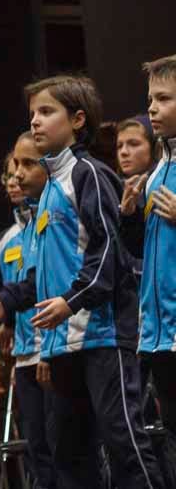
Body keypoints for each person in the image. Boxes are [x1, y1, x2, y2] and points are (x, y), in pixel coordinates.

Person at [0, 74, 163, 489]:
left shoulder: (88, 174)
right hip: (62, 343)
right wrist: (5, 302)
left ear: (77, 120)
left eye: (46, 112)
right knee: (68, 454)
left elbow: (109, 253)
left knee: (123, 442)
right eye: (32, 114)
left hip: (103, 335)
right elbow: (44, 272)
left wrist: (71, 301)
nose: (35, 122)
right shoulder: (48, 192)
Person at [124, 56, 176, 486]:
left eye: (163, 99)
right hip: (160, 334)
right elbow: (143, 252)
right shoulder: (159, 168)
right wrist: (129, 218)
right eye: (150, 100)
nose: (153, 109)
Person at [0, 134, 56, 489]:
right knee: (35, 444)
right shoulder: (5, 240)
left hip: (54, 345)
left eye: (24, 166)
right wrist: (2, 321)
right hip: (24, 352)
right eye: (10, 171)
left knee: (62, 442)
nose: (15, 177)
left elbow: (48, 285)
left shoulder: (45, 219)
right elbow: (2, 290)